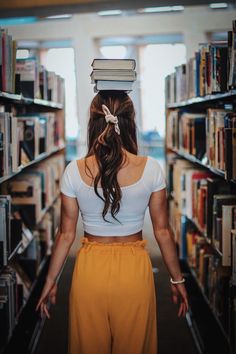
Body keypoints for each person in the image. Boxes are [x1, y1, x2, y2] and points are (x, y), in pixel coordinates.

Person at [36, 90, 189, 354]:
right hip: (134, 274)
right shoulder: (152, 168)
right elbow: (162, 232)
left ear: (92, 123)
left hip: (89, 273)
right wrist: (177, 281)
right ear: (131, 122)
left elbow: (65, 235)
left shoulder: (74, 170)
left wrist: (50, 281)